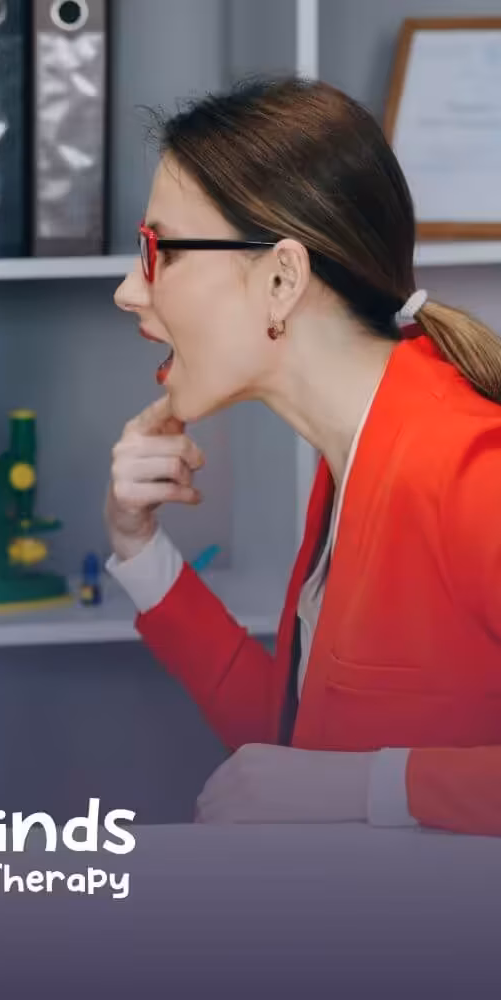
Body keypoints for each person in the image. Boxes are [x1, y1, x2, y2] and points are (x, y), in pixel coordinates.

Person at [105, 76, 501, 837]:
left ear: (282, 279)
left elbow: (335, 780)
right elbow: (295, 753)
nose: (130, 290)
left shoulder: (467, 469)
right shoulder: (349, 459)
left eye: (158, 250)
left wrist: (371, 788)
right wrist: (139, 549)